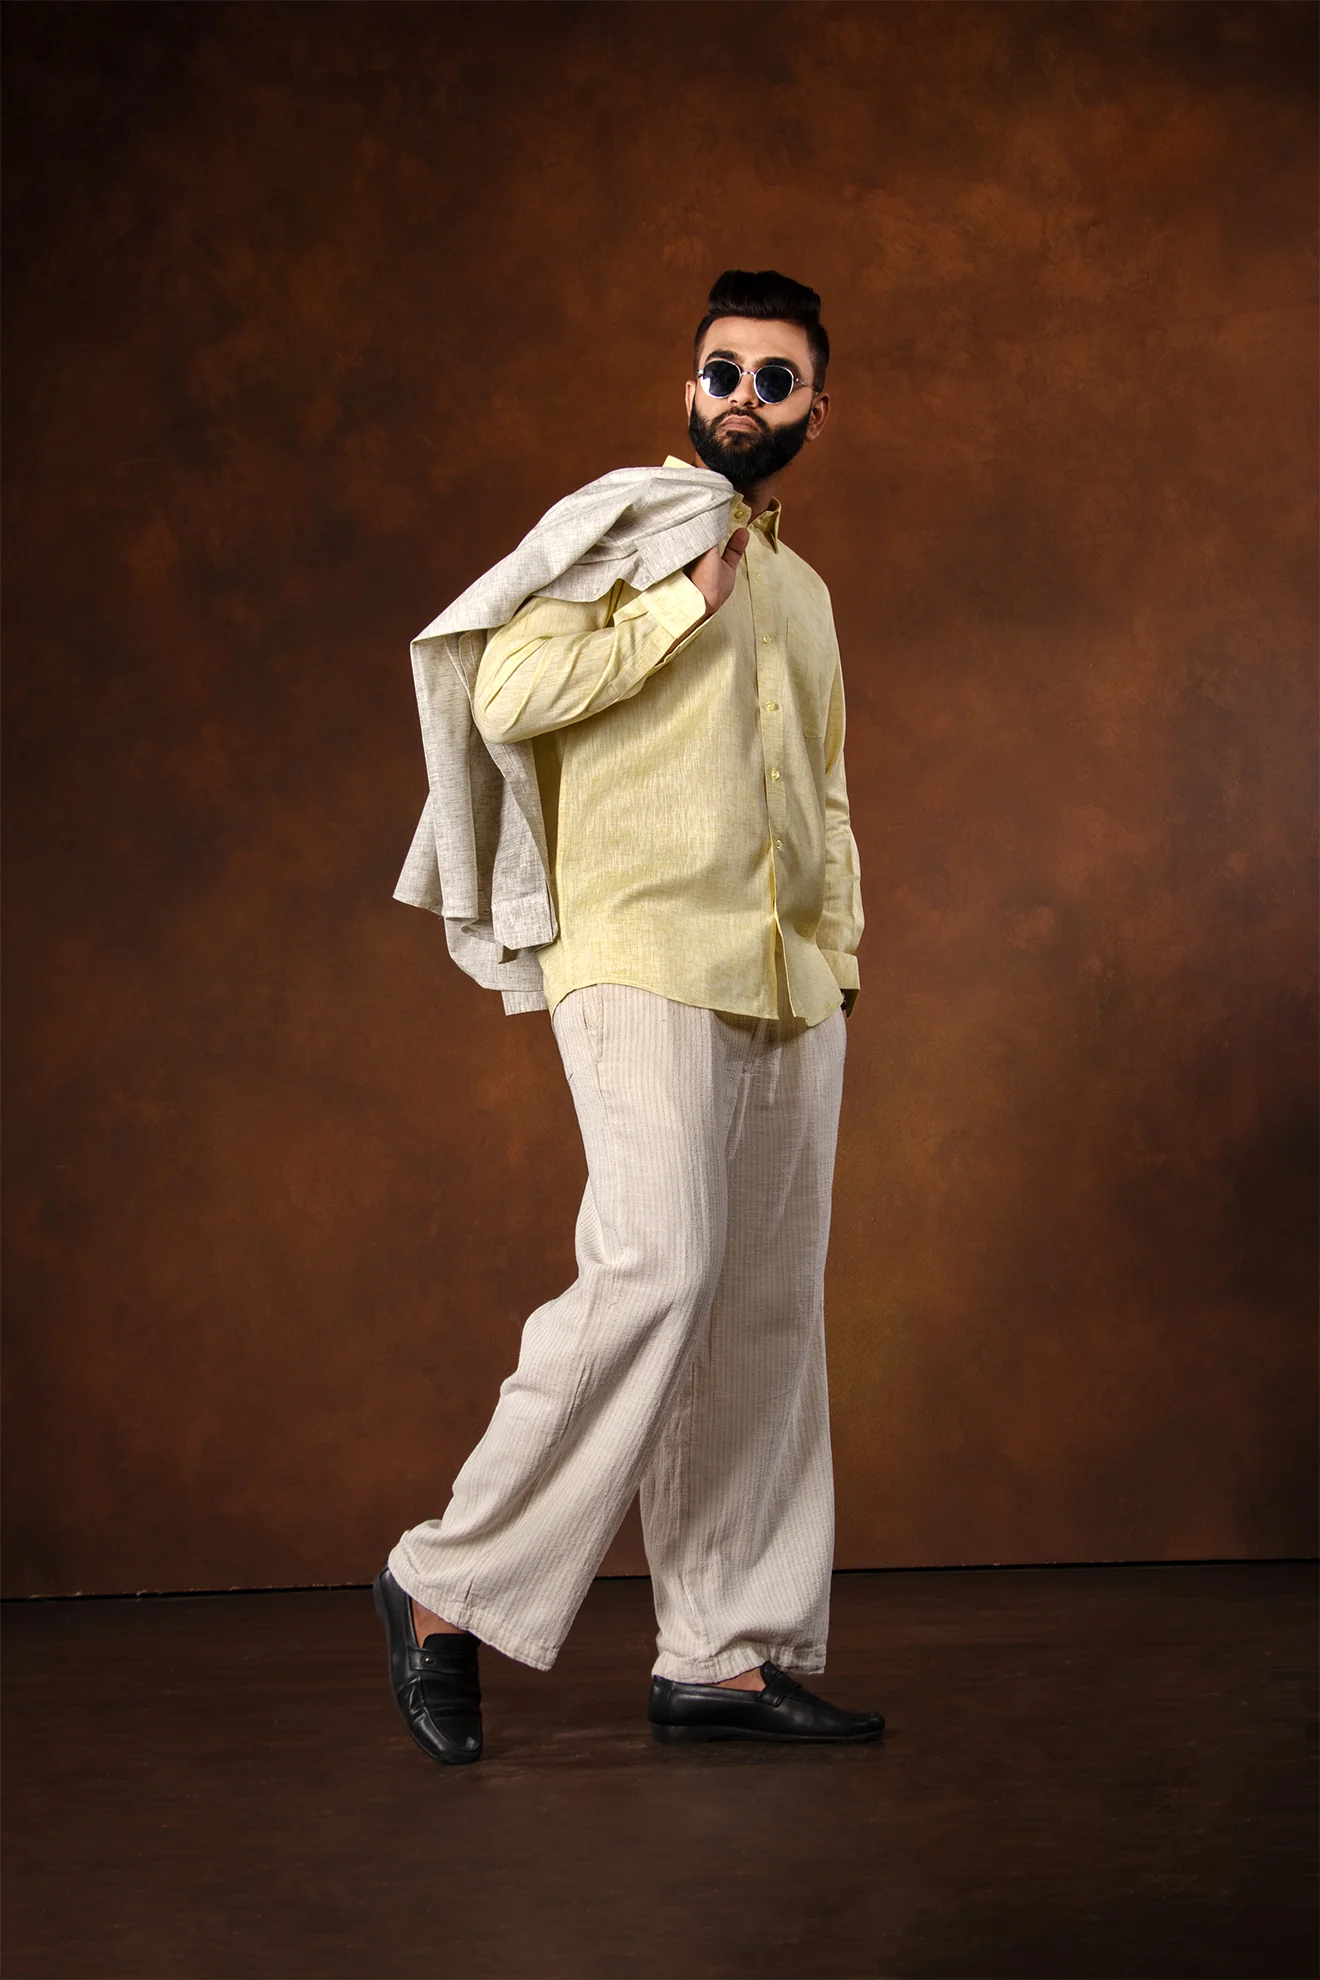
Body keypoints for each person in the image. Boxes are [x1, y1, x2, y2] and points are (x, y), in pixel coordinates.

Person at [374, 269, 884, 1762]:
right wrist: (674, 606)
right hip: (643, 940)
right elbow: (503, 693)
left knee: (767, 1310)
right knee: (659, 1261)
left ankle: (725, 1654)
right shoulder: (623, 528)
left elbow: (825, 789)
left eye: (775, 379)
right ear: (691, 388)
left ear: (815, 412)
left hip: (789, 972)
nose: (743, 397)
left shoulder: (807, 594)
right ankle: (444, 1583)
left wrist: (840, 949)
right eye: (723, 370)